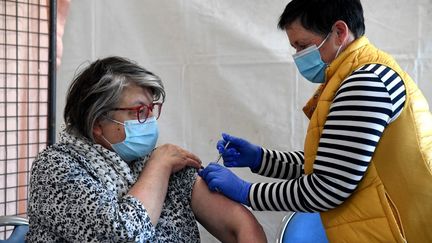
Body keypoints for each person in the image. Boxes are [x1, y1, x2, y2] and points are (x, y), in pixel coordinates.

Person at [199, 0, 432, 242]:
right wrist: (260, 159)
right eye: (295, 48)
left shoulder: (365, 83)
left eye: (303, 46)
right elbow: (332, 163)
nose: (298, 56)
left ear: (339, 32)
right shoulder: (359, 74)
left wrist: (246, 192)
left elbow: (328, 186)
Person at [27, 56, 267, 242]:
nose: (151, 119)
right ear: (98, 123)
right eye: (140, 111)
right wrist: (159, 167)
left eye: (152, 109)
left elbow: (240, 226)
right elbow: (124, 237)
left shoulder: (161, 162)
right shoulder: (57, 168)